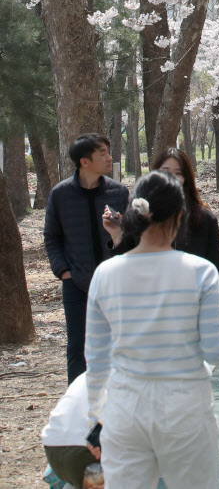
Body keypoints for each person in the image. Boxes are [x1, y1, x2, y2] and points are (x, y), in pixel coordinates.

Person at [85, 171, 219, 489]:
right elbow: (214, 350)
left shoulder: (106, 273)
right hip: (184, 406)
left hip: (124, 407)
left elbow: (96, 359)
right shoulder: (201, 272)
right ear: (180, 215)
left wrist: (96, 419)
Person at [44, 133, 129, 383]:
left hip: (114, 284)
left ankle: (114, 406)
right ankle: (78, 409)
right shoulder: (60, 194)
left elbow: (132, 238)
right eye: (102, 153)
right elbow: (51, 237)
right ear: (84, 162)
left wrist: (118, 234)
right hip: (76, 284)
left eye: (108, 151)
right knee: (77, 349)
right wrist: (63, 272)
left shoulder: (119, 192)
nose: (109, 157)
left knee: (117, 345)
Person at [103, 146, 219, 307]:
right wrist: (116, 235)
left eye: (178, 173)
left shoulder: (204, 218)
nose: (171, 177)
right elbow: (125, 264)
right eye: (165, 171)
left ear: (186, 179)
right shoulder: (140, 214)